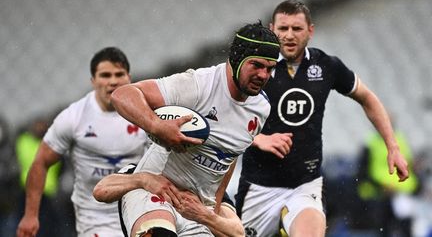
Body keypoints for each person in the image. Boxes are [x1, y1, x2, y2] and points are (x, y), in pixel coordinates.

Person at [235, 0, 410, 237]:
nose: (289, 35)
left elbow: (368, 98)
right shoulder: (256, 68)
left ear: (310, 31)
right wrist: (257, 139)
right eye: (282, 28)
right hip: (258, 187)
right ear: (271, 29)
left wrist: (393, 146)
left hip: (305, 186)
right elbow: (225, 114)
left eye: (296, 28)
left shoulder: (326, 66)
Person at [105, 21, 281, 236]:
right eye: (256, 65)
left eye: (270, 69)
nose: (264, 75)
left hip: (196, 207)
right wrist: (157, 126)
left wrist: (213, 207)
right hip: (156, 190)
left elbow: (230, 154)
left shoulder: (260, 108)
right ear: (236, 59)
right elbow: (122, 95)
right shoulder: (198, 85)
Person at [16, 47, 150, 237]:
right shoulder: (74, 117)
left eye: (119, 74)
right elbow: (41, 162)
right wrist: (30, 216)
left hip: (138, 211)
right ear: (93, 81)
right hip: (95, 219)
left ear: (128, 77)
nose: (112, 81)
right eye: (105, 75)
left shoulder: (147, 113)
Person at [93, 162, 244, 237]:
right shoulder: (138, 170)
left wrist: (203, 215)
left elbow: (238, 233)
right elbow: (100, 191)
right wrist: (143, 180)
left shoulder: (206, 188)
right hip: (151, 214)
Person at [15, 116, 63, 236]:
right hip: (28, 190)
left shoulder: (52, 144)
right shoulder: (23, 141)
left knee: (46, 227)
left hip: (48, 192)